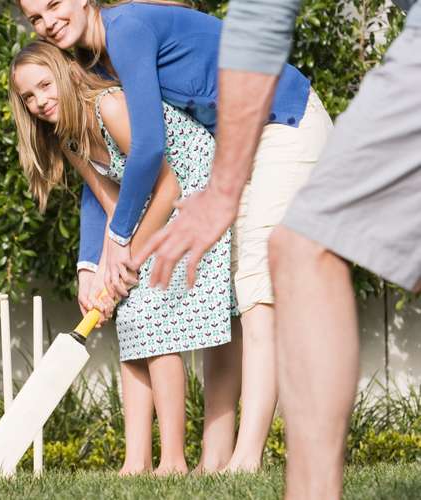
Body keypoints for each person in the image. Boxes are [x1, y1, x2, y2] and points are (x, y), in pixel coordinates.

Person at [18, 0, 333, 471]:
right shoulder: (90, 61)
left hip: (282, 122)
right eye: (36, 18)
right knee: (228, 298)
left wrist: (123, 240)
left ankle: (245, 458)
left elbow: (148, 147)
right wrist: (91, 263)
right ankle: (215, 458)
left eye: (54, 5)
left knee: (254, 288)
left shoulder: (127, 30)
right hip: (232, 151)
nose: (48, 22)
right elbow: (101, 179)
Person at [132, 0, 420, 497]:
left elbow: (259, 25)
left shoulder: (132, 29)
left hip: (301, 114)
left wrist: (221, 190)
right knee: (298, 249)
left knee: (298, 251)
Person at [9, 40, 234, 475]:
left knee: (154, 317)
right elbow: (112, 204)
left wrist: (131, 257)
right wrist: (106, 271)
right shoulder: (70, 139)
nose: (39, 101)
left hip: (198, 192)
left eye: (44, 85)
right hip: (155, 208)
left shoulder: (109, 107)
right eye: (29, 97)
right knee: (130, 318)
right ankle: (136, 460)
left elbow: (169, 184)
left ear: (68, 74)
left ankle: (172, 460)